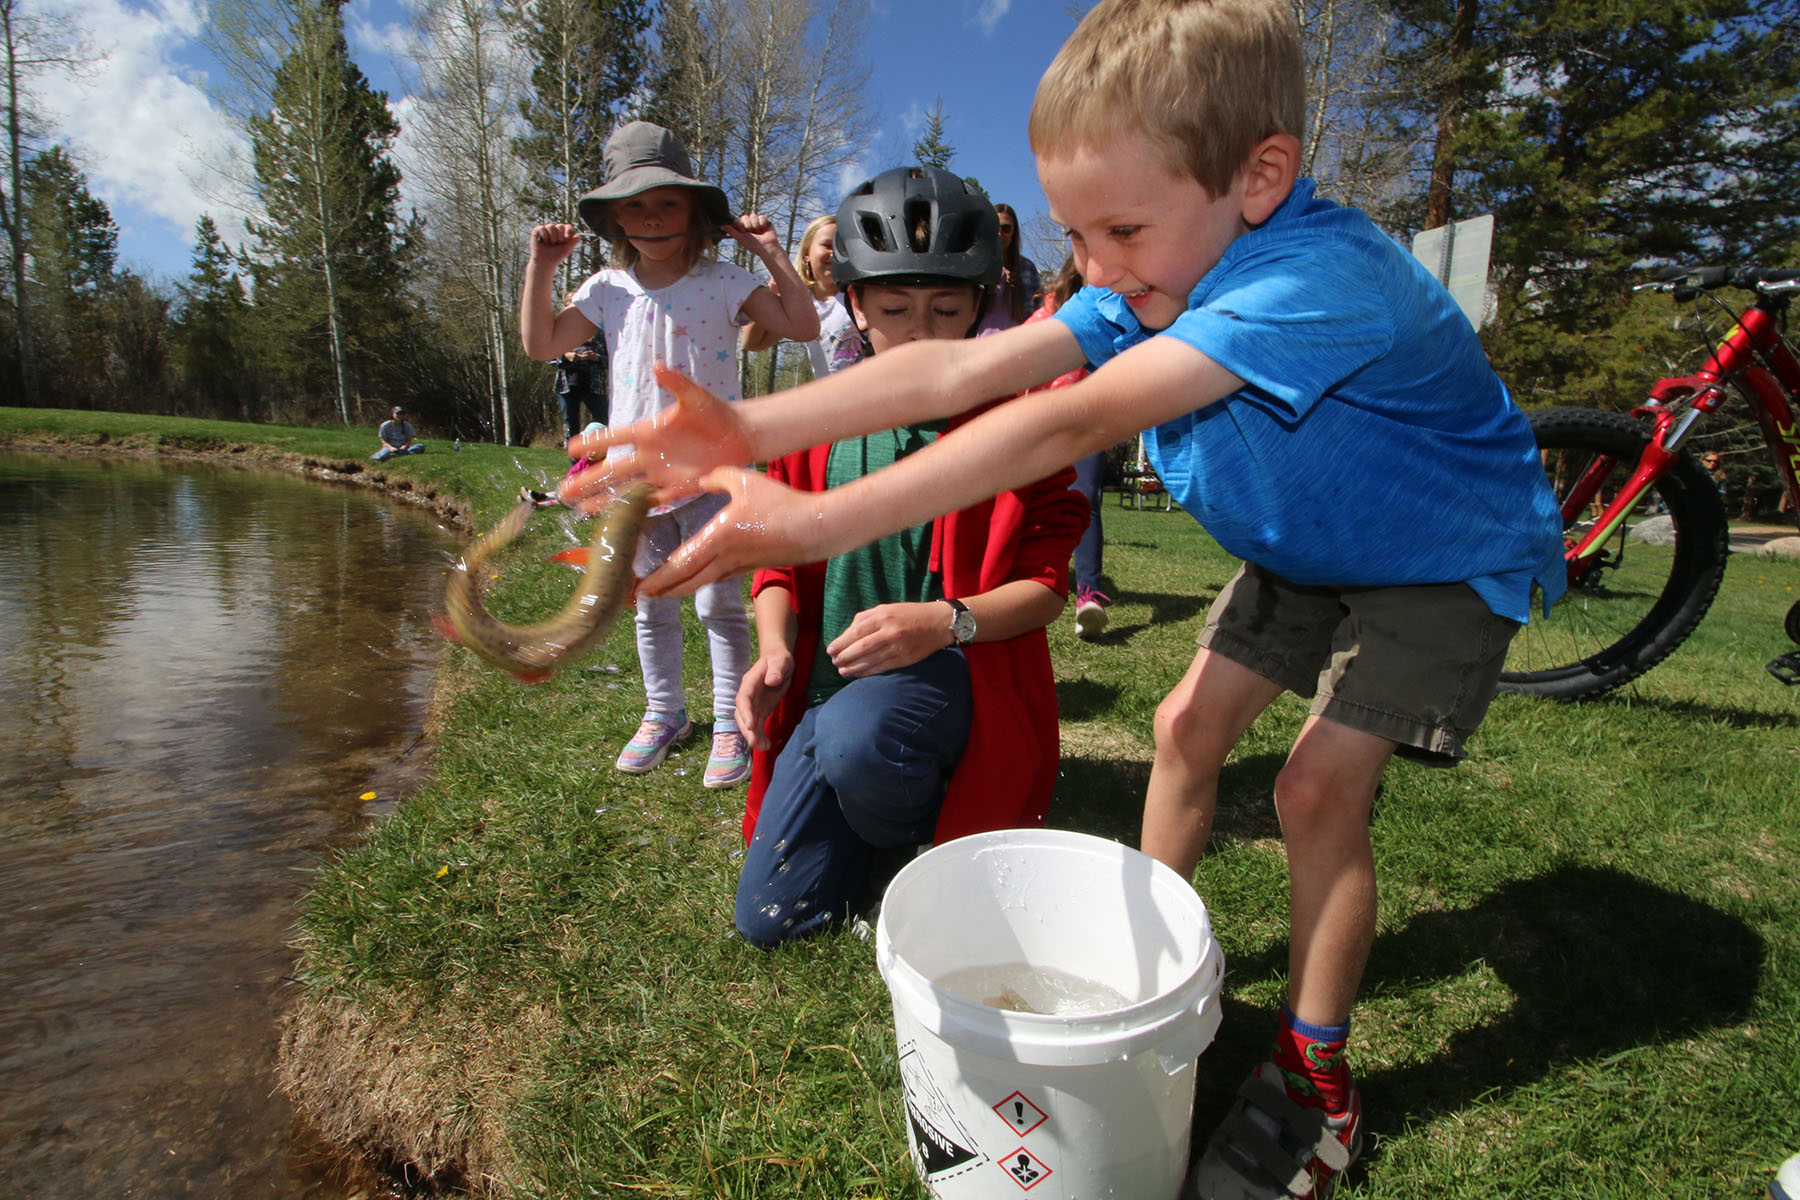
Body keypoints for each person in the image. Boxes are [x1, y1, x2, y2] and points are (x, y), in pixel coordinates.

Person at [565, 2, 1568, 1195]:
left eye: (1122, 229)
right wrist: (746, 426)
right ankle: (1153, 982)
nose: (1094, 270)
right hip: (1309, 539)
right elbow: (963, 367)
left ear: (1260, 179)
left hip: (1437, 553)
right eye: (1075, 234)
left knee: (1310, 790)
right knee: (1183, 731)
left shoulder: (1319, 280)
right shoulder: (1149, 264)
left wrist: (817, 520)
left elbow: (1072, 417)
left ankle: (1317, 1081)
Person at [732, 165, 1087, 946]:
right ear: (854, 305)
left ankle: (917, 843)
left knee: (862, 734)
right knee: (773, 921)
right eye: (894, 308)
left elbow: (1047, 586)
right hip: (827, 701)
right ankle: (869, 826)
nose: (920, 330)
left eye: (945, 307)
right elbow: (775, 562)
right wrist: (772, 650)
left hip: (954, 685)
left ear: (979, 307)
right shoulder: (817, 426)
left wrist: (944, 622)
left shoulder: (1019, 431)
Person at [519, 120, 818, 790]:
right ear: (614, 218)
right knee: (650, 599)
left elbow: (800, 323)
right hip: (635, 479)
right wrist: (542, 266)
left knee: (716, 602)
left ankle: (724, 723)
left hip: (712, 470)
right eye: (634, 205)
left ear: (693, 210)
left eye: (667, 202)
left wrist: (771, 253)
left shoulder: (724, 281)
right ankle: (663, 713)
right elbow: (541, 343)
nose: (651, 217)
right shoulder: (605, 289)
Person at [1025, 257, 1110, 637]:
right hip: (1042, 422)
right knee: (1032, 502)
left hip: (1088, 419)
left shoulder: (1116, 313)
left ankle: (1088, 594)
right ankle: (1028, 579)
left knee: (1086, 497)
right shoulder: (1048, 313)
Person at [741, 214, 863, 377]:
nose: (835, 253)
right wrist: (771, 292)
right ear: (807, 254)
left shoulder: (862, 294)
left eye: (843, 247)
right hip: (831, 397)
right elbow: (753, 342)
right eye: (827, 245)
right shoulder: (800, 304)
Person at [974, 202, 1043, 336]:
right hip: (980, 344)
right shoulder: (977, 266)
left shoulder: (1027, 268)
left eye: (1006, 228)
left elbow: (1038, 312)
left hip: (1017, 345)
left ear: (1013, 233)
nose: (1000, 233)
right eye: (995, 227)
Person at [552, 302, 609, 449]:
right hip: (567, 385)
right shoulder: (561, 332)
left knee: (606, 422)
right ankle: (575, 467)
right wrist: (567, 356)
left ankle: (604, 458)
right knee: (571, 426)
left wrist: (596, 358)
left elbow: (611, 359)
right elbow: (547, 355)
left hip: (593, 385)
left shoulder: (598, 331)